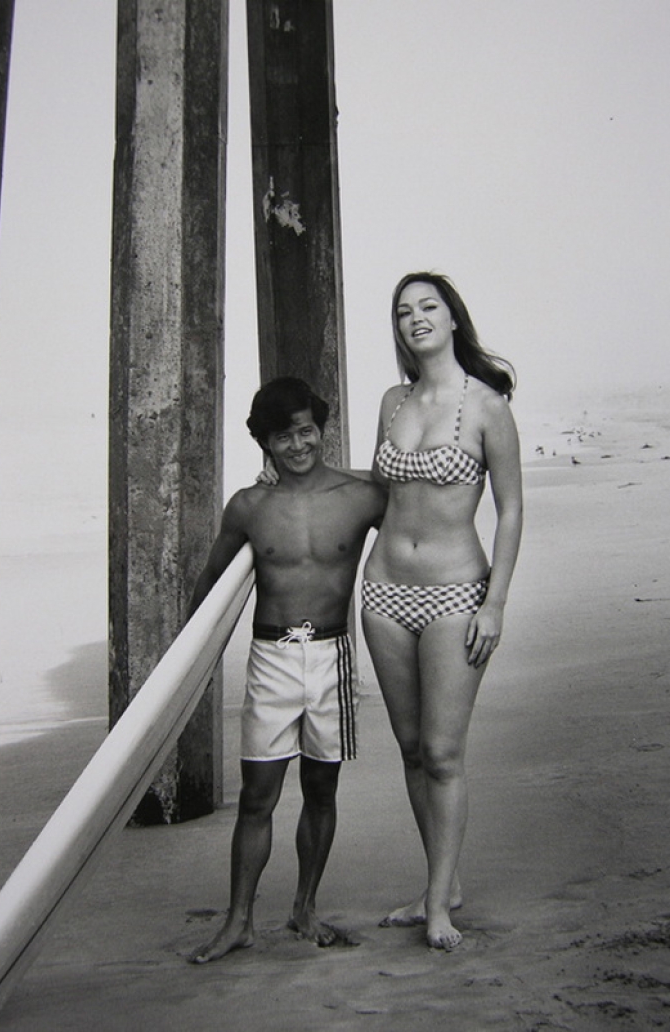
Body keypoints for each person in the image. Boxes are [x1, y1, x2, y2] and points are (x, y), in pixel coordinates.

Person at [186, 377, 385, 963]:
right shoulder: (250, 507)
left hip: (333, 656)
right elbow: (211, 585)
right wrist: (187, 662)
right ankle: (238, 921)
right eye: (283, 436)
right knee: (258, 796)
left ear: (320, 427)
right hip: (271, 657)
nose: (299, 444)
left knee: (321, 791)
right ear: (265, 444)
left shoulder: (363, 494)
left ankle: (305, 908)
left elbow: (420, 531)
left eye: (306, 429)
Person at [362, 271, 523, 951]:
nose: (415, 318)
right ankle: (440, 883)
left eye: (428, 307)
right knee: (407, 748)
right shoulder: (391, 401)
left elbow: (511, 509)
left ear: (452, 319)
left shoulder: (485, 406)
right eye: (403, 311)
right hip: (382, 594)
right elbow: (375, 495)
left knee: (442, 751)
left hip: (457, 594)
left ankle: (438, 909)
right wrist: (295, 488)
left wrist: (495, 605)